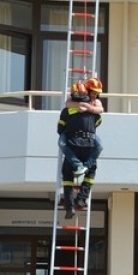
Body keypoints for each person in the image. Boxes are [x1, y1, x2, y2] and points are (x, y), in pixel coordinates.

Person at [58, 82, 102, 218]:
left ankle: (69, 207)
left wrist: (69, 130)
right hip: (89, 146)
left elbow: (59, 129)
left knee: (67, 176)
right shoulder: (93, 111)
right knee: (91, 171)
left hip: (72, 145)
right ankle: (82, 199)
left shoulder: (67, 111)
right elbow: (98, 122)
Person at [84, 77, 105, 169]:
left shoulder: (96, 102)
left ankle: (86, 166)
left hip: (90, 132)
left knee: (99, 146)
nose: (95, 95)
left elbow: (100, 109)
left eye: (97, 93)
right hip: (76, 130)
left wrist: (90, 108)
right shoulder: (80, 99)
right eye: (93, 92)